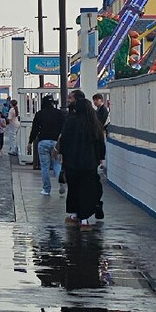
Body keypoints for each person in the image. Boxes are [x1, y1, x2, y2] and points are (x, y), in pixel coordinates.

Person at [58, 94, 106, 229]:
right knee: (86, 190)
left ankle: (73, 215)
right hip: (89, 163)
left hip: (72, 163)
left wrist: (64, 156)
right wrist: (100, 158)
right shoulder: (94, 124)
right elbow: (100, 143)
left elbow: (64, 141)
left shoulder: (71, 121)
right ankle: (84, 220)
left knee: (73, 188)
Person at [29, 96, 66, 196]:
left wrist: (30, 141)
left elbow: (35, 129)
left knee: (45, 167)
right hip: (56, 142)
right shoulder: (59, 113)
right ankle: (61, 182)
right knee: (57, 164)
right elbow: (64, 128)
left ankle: (46, 189)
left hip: (43, 141)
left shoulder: (40, 114)